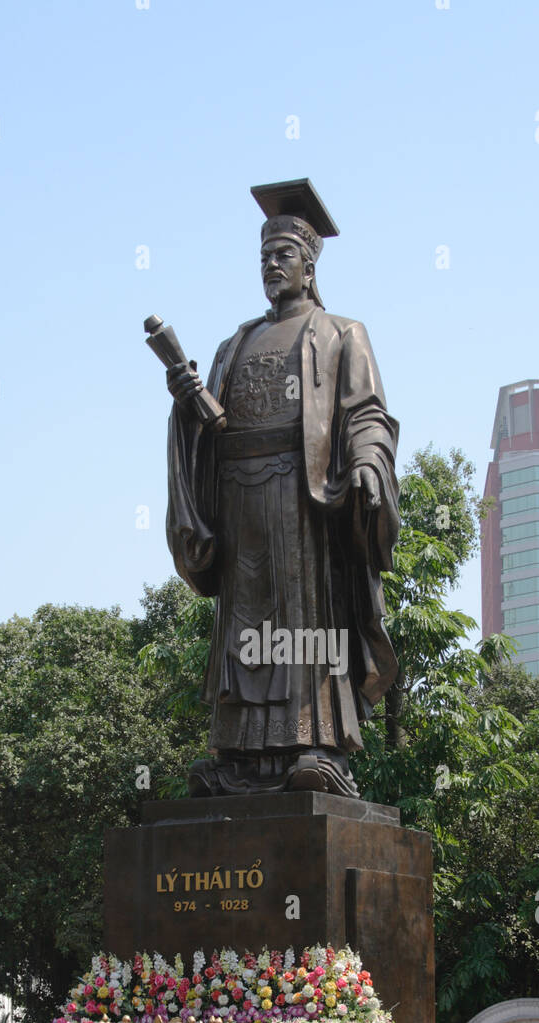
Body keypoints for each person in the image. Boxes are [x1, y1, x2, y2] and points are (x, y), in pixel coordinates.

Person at [165, 179, 399, 798]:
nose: (271, 266)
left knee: (303, 629)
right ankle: (239, 758)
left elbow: (367, 413)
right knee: (243, 634)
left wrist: (368, 464)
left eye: (283, 256)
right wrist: (188, 408)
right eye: (263, 257)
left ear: (310, 263)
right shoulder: (233, 343)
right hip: (240, 500)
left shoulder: (342, 333)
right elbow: (205, 429)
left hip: (303, 503)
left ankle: (311, 745)